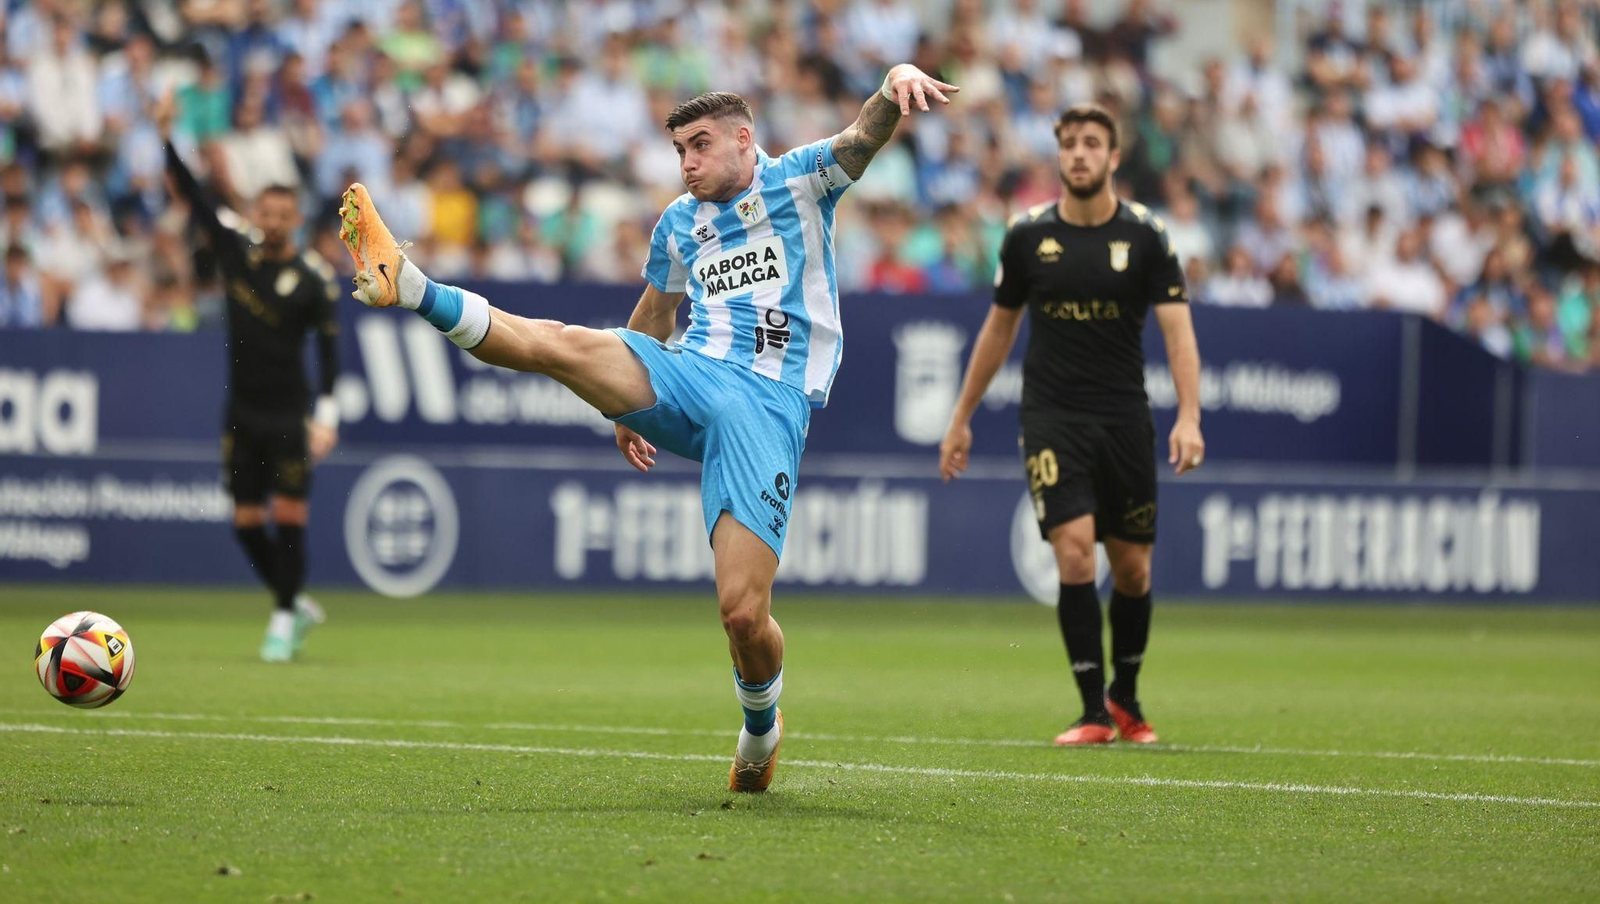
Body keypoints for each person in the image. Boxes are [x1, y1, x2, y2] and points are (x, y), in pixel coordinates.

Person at [338, 64, 958, 791]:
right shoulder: (677, 224)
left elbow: (862, 137)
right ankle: (408, 283)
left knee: (742, 614)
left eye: (700, 146)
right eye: (679, 151)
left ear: (742, 140)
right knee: (559, 343)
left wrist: (891, 85)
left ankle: (762, 722)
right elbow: (656, 318)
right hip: (688, 376)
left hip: (765, 403)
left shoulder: (798, 181)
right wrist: (621, 403)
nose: (688, 163)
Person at [937, 103, 1204, 746]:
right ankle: (1091, 711)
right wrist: (961, 418)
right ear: (1059, 156)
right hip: (1053, 417)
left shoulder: (1148, 236)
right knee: (1075, 550)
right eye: (1070, 144)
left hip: (1125, 419)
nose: (1080, 154)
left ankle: (1126, 697)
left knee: (1134, 569)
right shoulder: (1026, 235)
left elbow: (1179, 334)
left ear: (1113, 158)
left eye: (1092, 144)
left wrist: (1190, 416)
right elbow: (998, 330)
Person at [161, 106, 340, 663]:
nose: (275, 218)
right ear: (257, 212)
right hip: (241, 412)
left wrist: (326, 418)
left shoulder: (314, 280)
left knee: (288, 518)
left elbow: (331, 356)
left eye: (285, 211)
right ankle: (293, 601)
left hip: (289, 416)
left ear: (296, 216)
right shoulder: (236, 249)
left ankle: (283, 619)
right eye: (267, 210)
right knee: (244, 524)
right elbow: (191, 192)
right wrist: (168, 132)